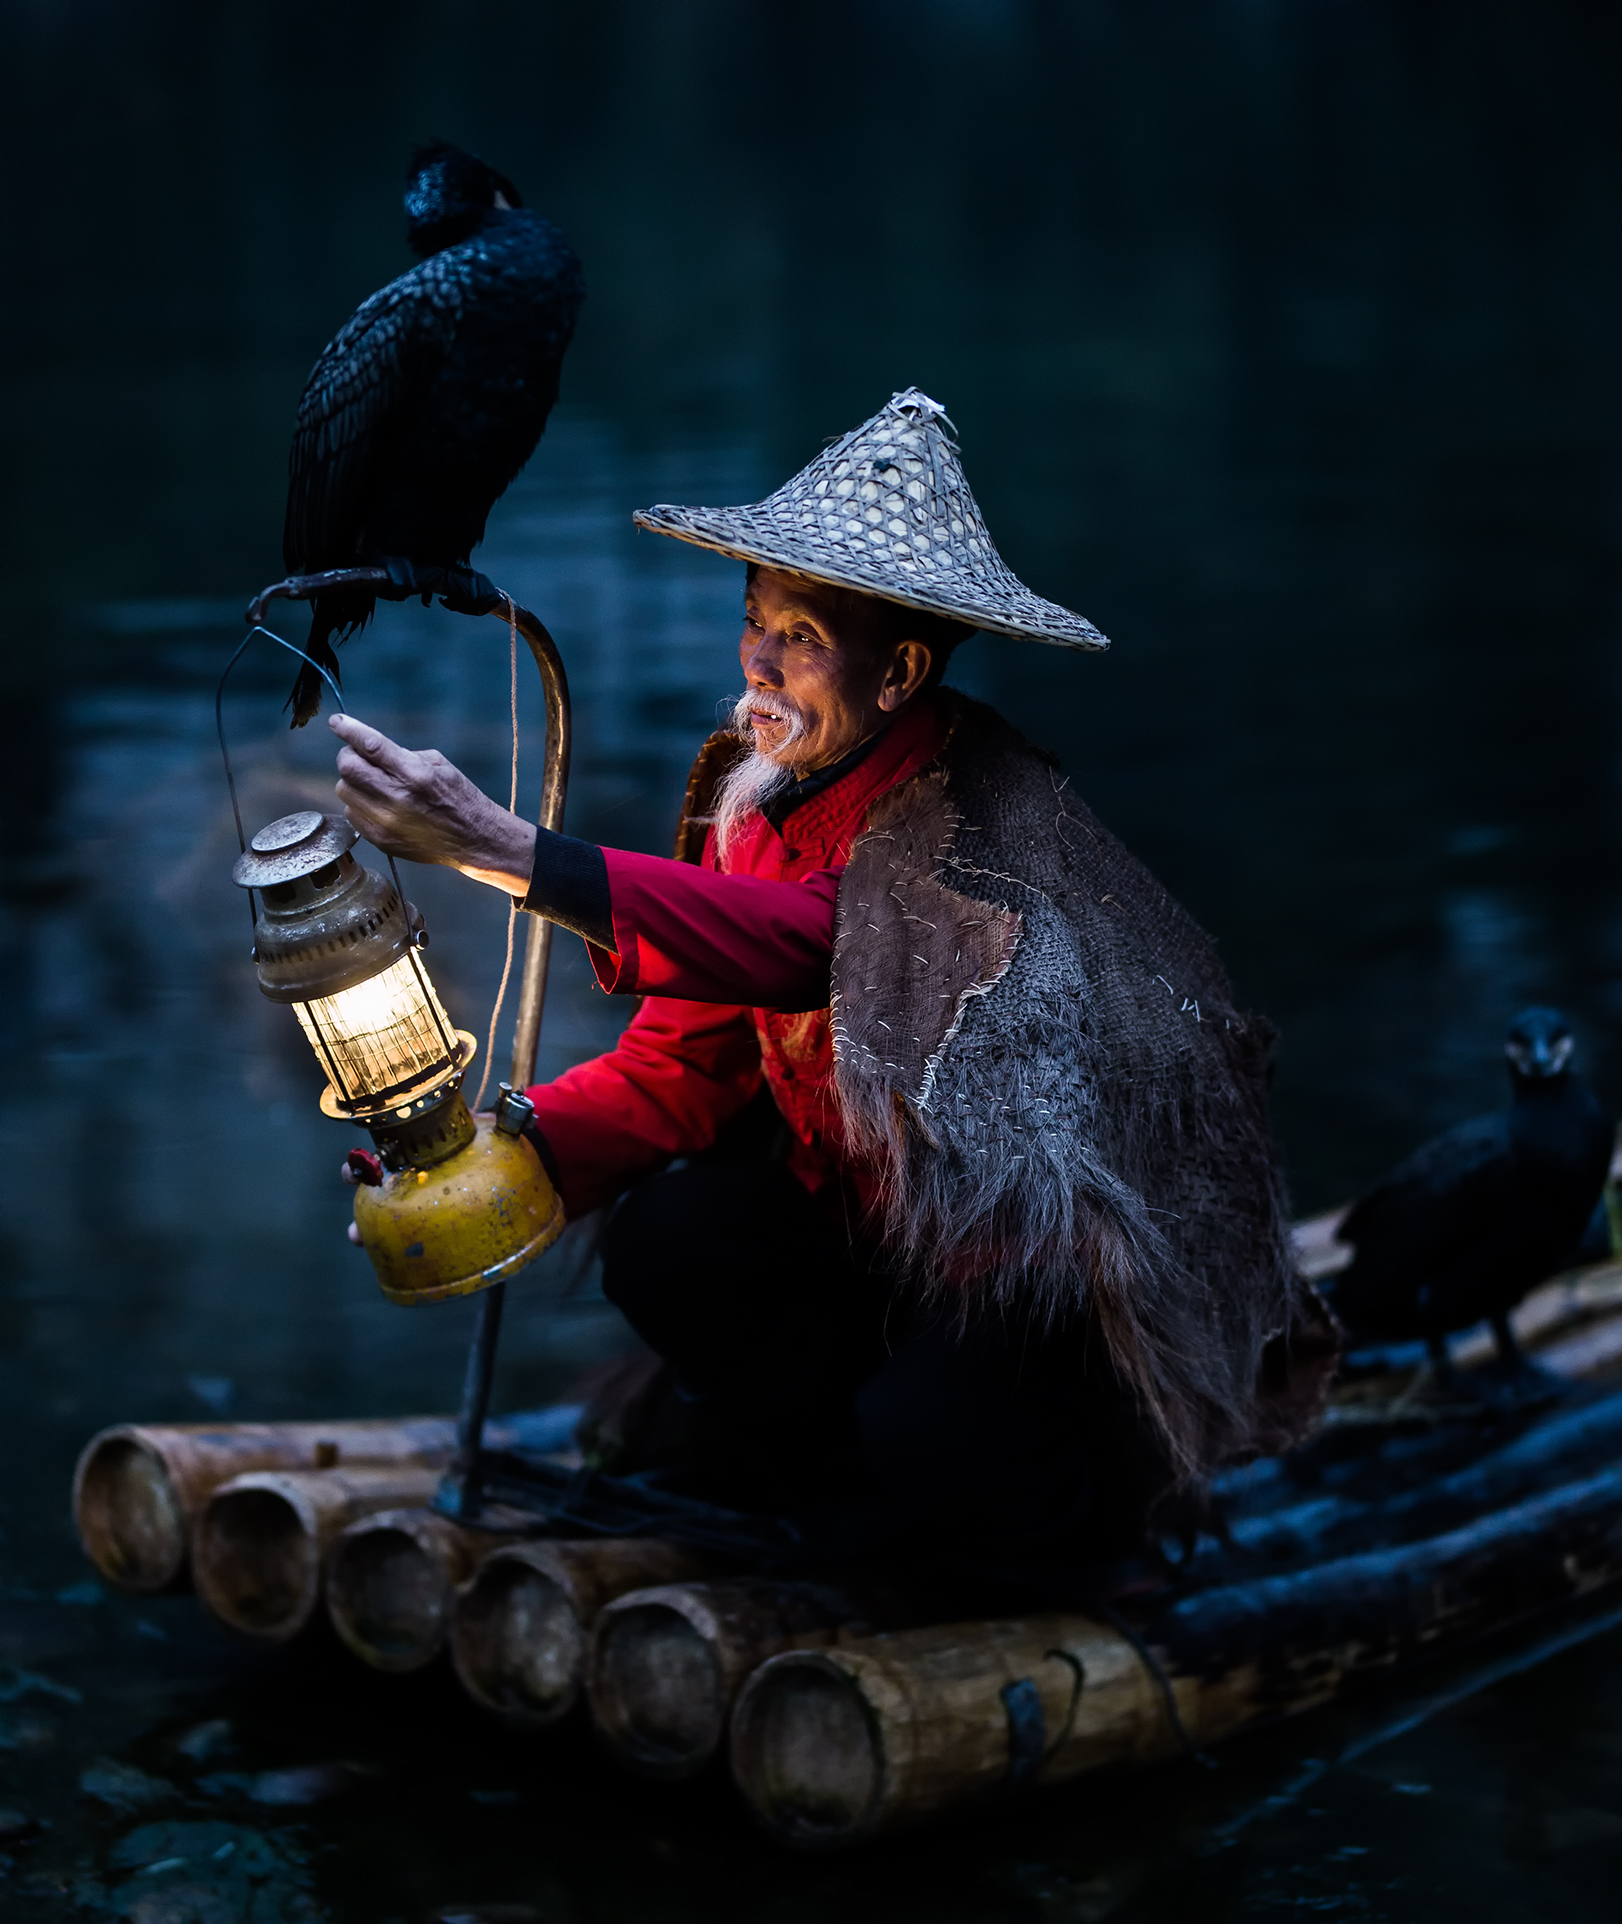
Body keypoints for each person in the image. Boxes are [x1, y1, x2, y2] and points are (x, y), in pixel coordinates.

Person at [331, 388, 1335, 1586]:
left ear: (901, 670)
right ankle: (839, 1482)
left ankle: (1042, 1536)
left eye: (800, 635)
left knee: (944, 1432)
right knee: (668, 1240)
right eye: (754, 619)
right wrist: (490, 1152)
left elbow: (825, 942)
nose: (757, 658)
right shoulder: (757, 803)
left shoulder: (990, 820)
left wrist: (510, 850)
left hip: (1010, 1274)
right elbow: (682, 1064)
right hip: (855, 1236)